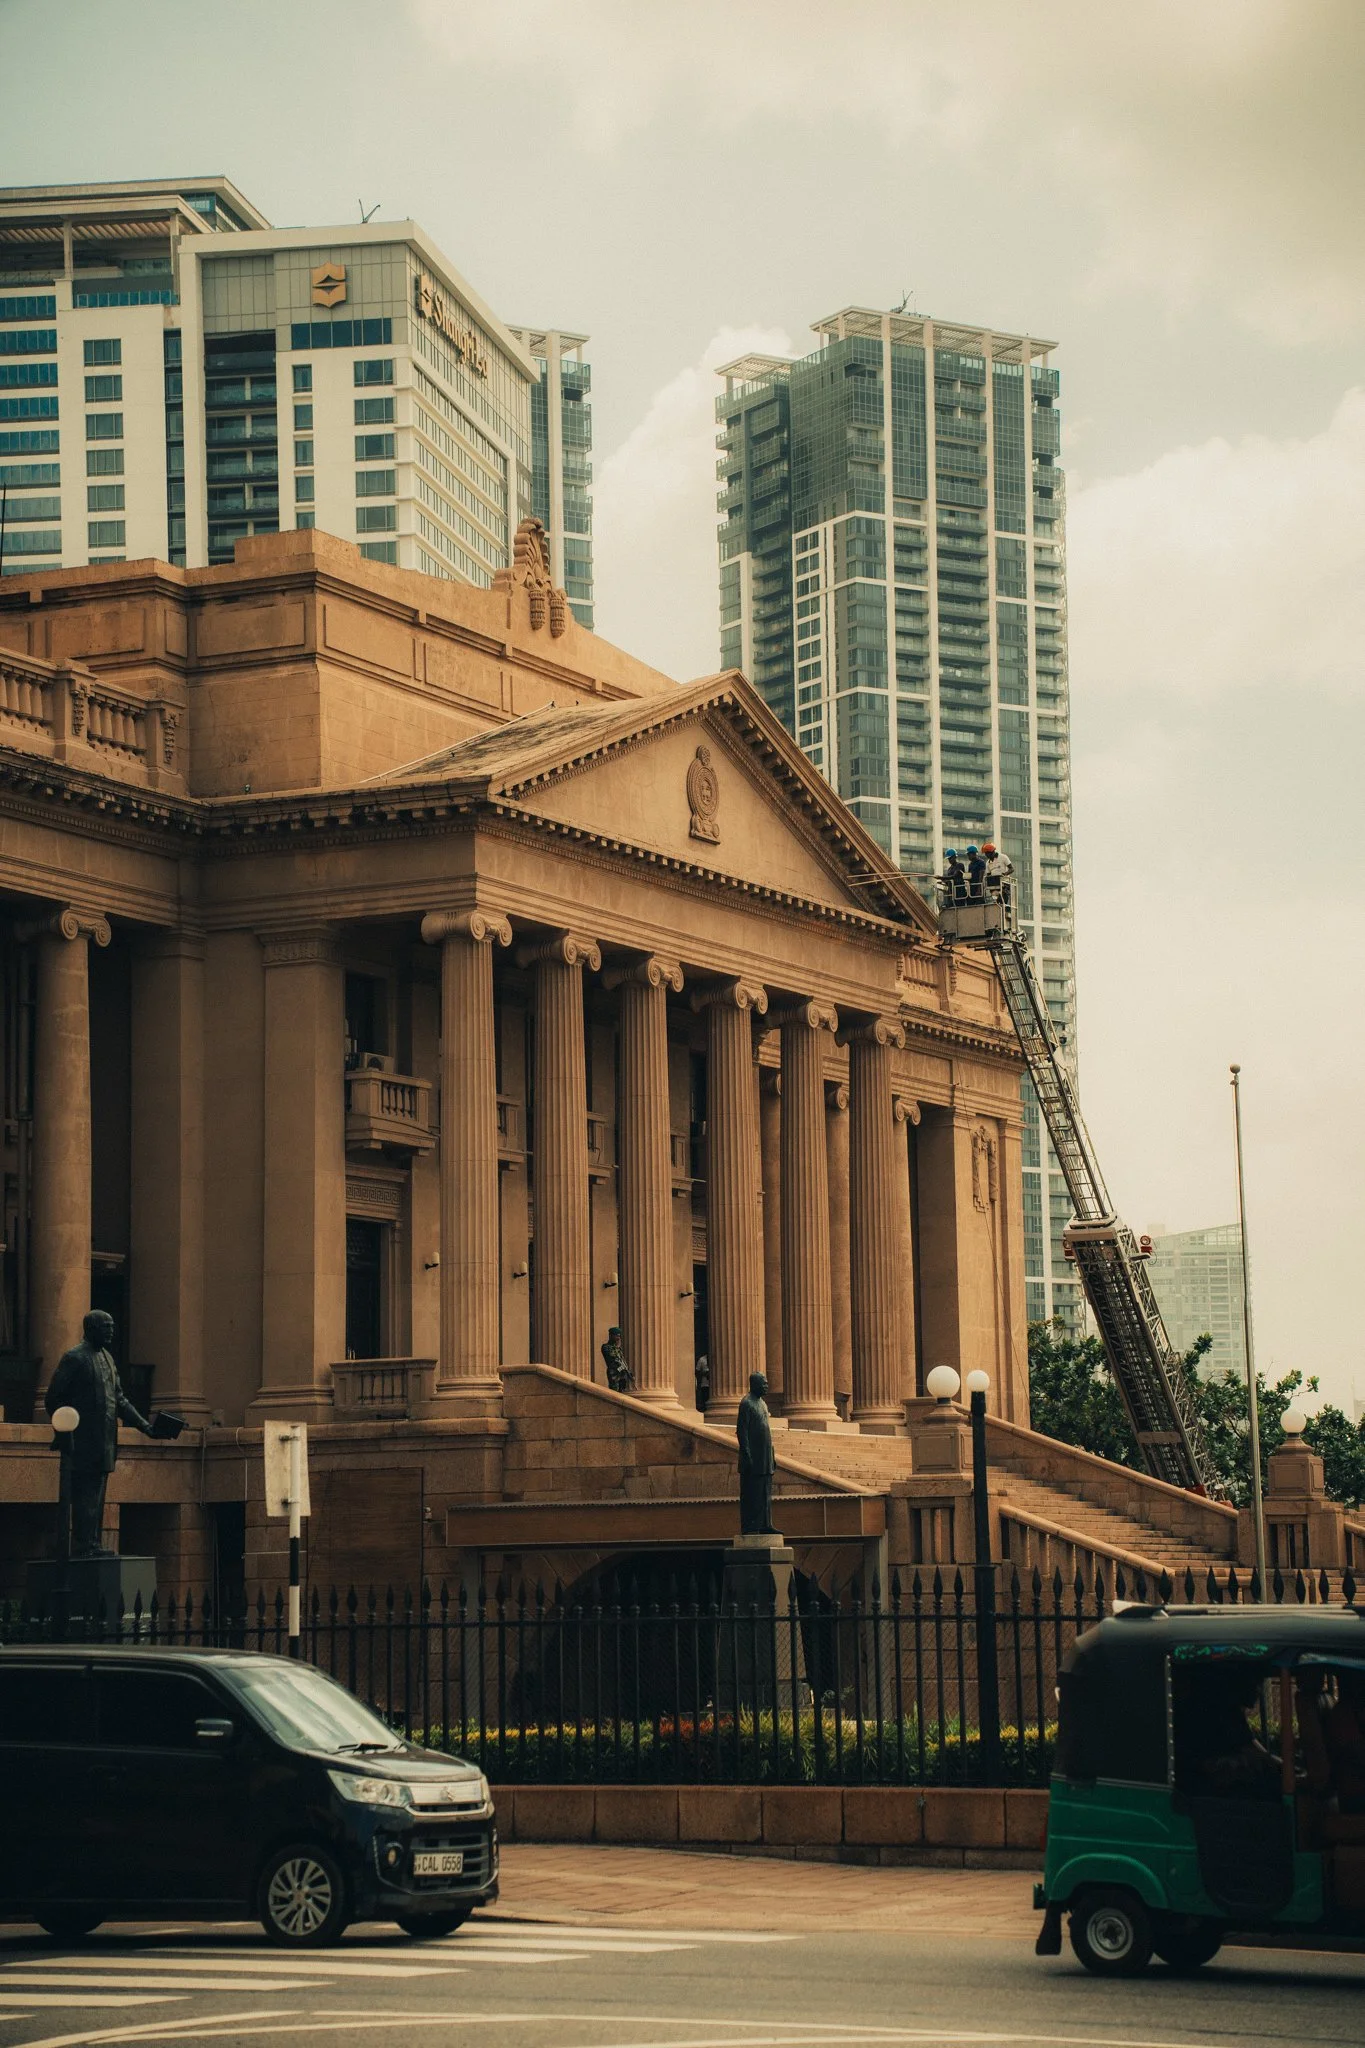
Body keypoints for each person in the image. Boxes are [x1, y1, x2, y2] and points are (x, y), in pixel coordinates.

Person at [45, 1310, 154, 1559]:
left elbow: (120, 1400)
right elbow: (53, 1397)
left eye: (112, 1327)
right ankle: (83, 1545)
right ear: (91, 1329)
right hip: (81, 1441)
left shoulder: (107, 1358)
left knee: (97, 1494)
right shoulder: (74, 1357)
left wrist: (145, 1426)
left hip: (104, 1440)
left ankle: (92, 1542)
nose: (111, 1332)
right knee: (85, 1494)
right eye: (107, 1327)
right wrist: (63, 1432)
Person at [736, 1370, 777, 1536]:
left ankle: (766, 1523)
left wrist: (772, 1455)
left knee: (766, 1491)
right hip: (753, 1457)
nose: (766, 1386)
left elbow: (767, 1432)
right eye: (764, 1384)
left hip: (765, 1455)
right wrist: (746, 1454)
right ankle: (751, 1525)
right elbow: (742, 1431)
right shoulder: (747, 1403)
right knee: (753, 1492)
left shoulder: (762, 1403)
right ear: (755, 1385)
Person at [984, 841, 1014, 913]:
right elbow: (988, 875)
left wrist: (1005, 874)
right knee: (995, 897)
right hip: (994, 884)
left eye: (988, 853)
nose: (987, 855)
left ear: (992, 852)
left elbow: (1011, 869)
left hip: (1004, 882)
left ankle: (1006, 908)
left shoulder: (1003, 857)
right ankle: (997, 908)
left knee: (1004, 897)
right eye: (986, 854)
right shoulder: (988, 863)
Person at [601, 1326, 632, 1394]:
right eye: (616, 1336)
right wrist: (617, 1347)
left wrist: (628, 1371)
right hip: (613, 1372)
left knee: (622, 1391)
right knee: (614, 1391)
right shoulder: (606, 1346)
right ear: (611, 1335)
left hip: (621, 1372)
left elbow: (622, 1359)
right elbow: (613, 1357)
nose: (618, 1338)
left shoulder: (618, 1348)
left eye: (619, 1336)